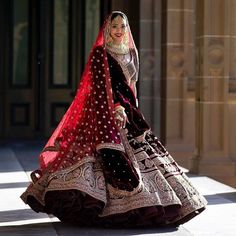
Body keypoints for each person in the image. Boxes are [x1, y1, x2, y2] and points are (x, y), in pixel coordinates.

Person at [21, 11, 207, 227]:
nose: (119, 30)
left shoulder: (130, 53)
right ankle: (105, 207)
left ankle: (152, 203)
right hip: (108, 114)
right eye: (114, 26)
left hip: (129, 115)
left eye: (122, 26)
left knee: (144, 157)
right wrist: (117, 108)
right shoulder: (102, 53)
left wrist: (133, 112)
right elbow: (101, 87)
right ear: (107, 29)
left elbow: (131, 86)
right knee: (108, 159)